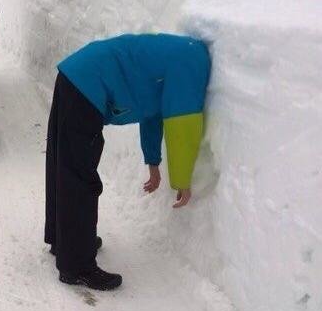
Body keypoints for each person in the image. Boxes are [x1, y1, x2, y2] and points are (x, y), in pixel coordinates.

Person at [44, 33, 211, 291]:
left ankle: (64, 240)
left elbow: (153, 114)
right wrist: (182, 181)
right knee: (79, 176)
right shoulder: (190, 64)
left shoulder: (177, 57)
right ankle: (76, 265)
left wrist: (153, 163)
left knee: (64, 166)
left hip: (75, 76)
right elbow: (182, 125)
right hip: (87, 84)